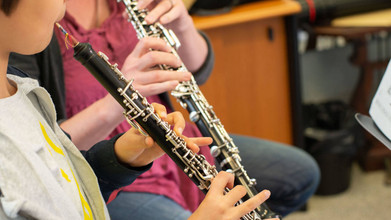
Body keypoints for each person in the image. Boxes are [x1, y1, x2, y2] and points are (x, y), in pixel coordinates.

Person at [8, 0, 320, 219]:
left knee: (299, 174)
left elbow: (194, 72)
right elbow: (54, 151)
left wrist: (183, 25)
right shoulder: (29, 31)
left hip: (155, 144)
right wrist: (118, 98)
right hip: (115, 171)